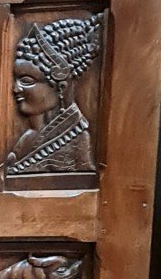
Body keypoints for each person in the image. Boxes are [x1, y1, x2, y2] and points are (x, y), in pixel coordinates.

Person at [7, 16, 101, 176]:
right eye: (16, 80)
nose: (15, 89)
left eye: (26, 81)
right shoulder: (27, 139)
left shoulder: (77, 141)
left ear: (61, 88)